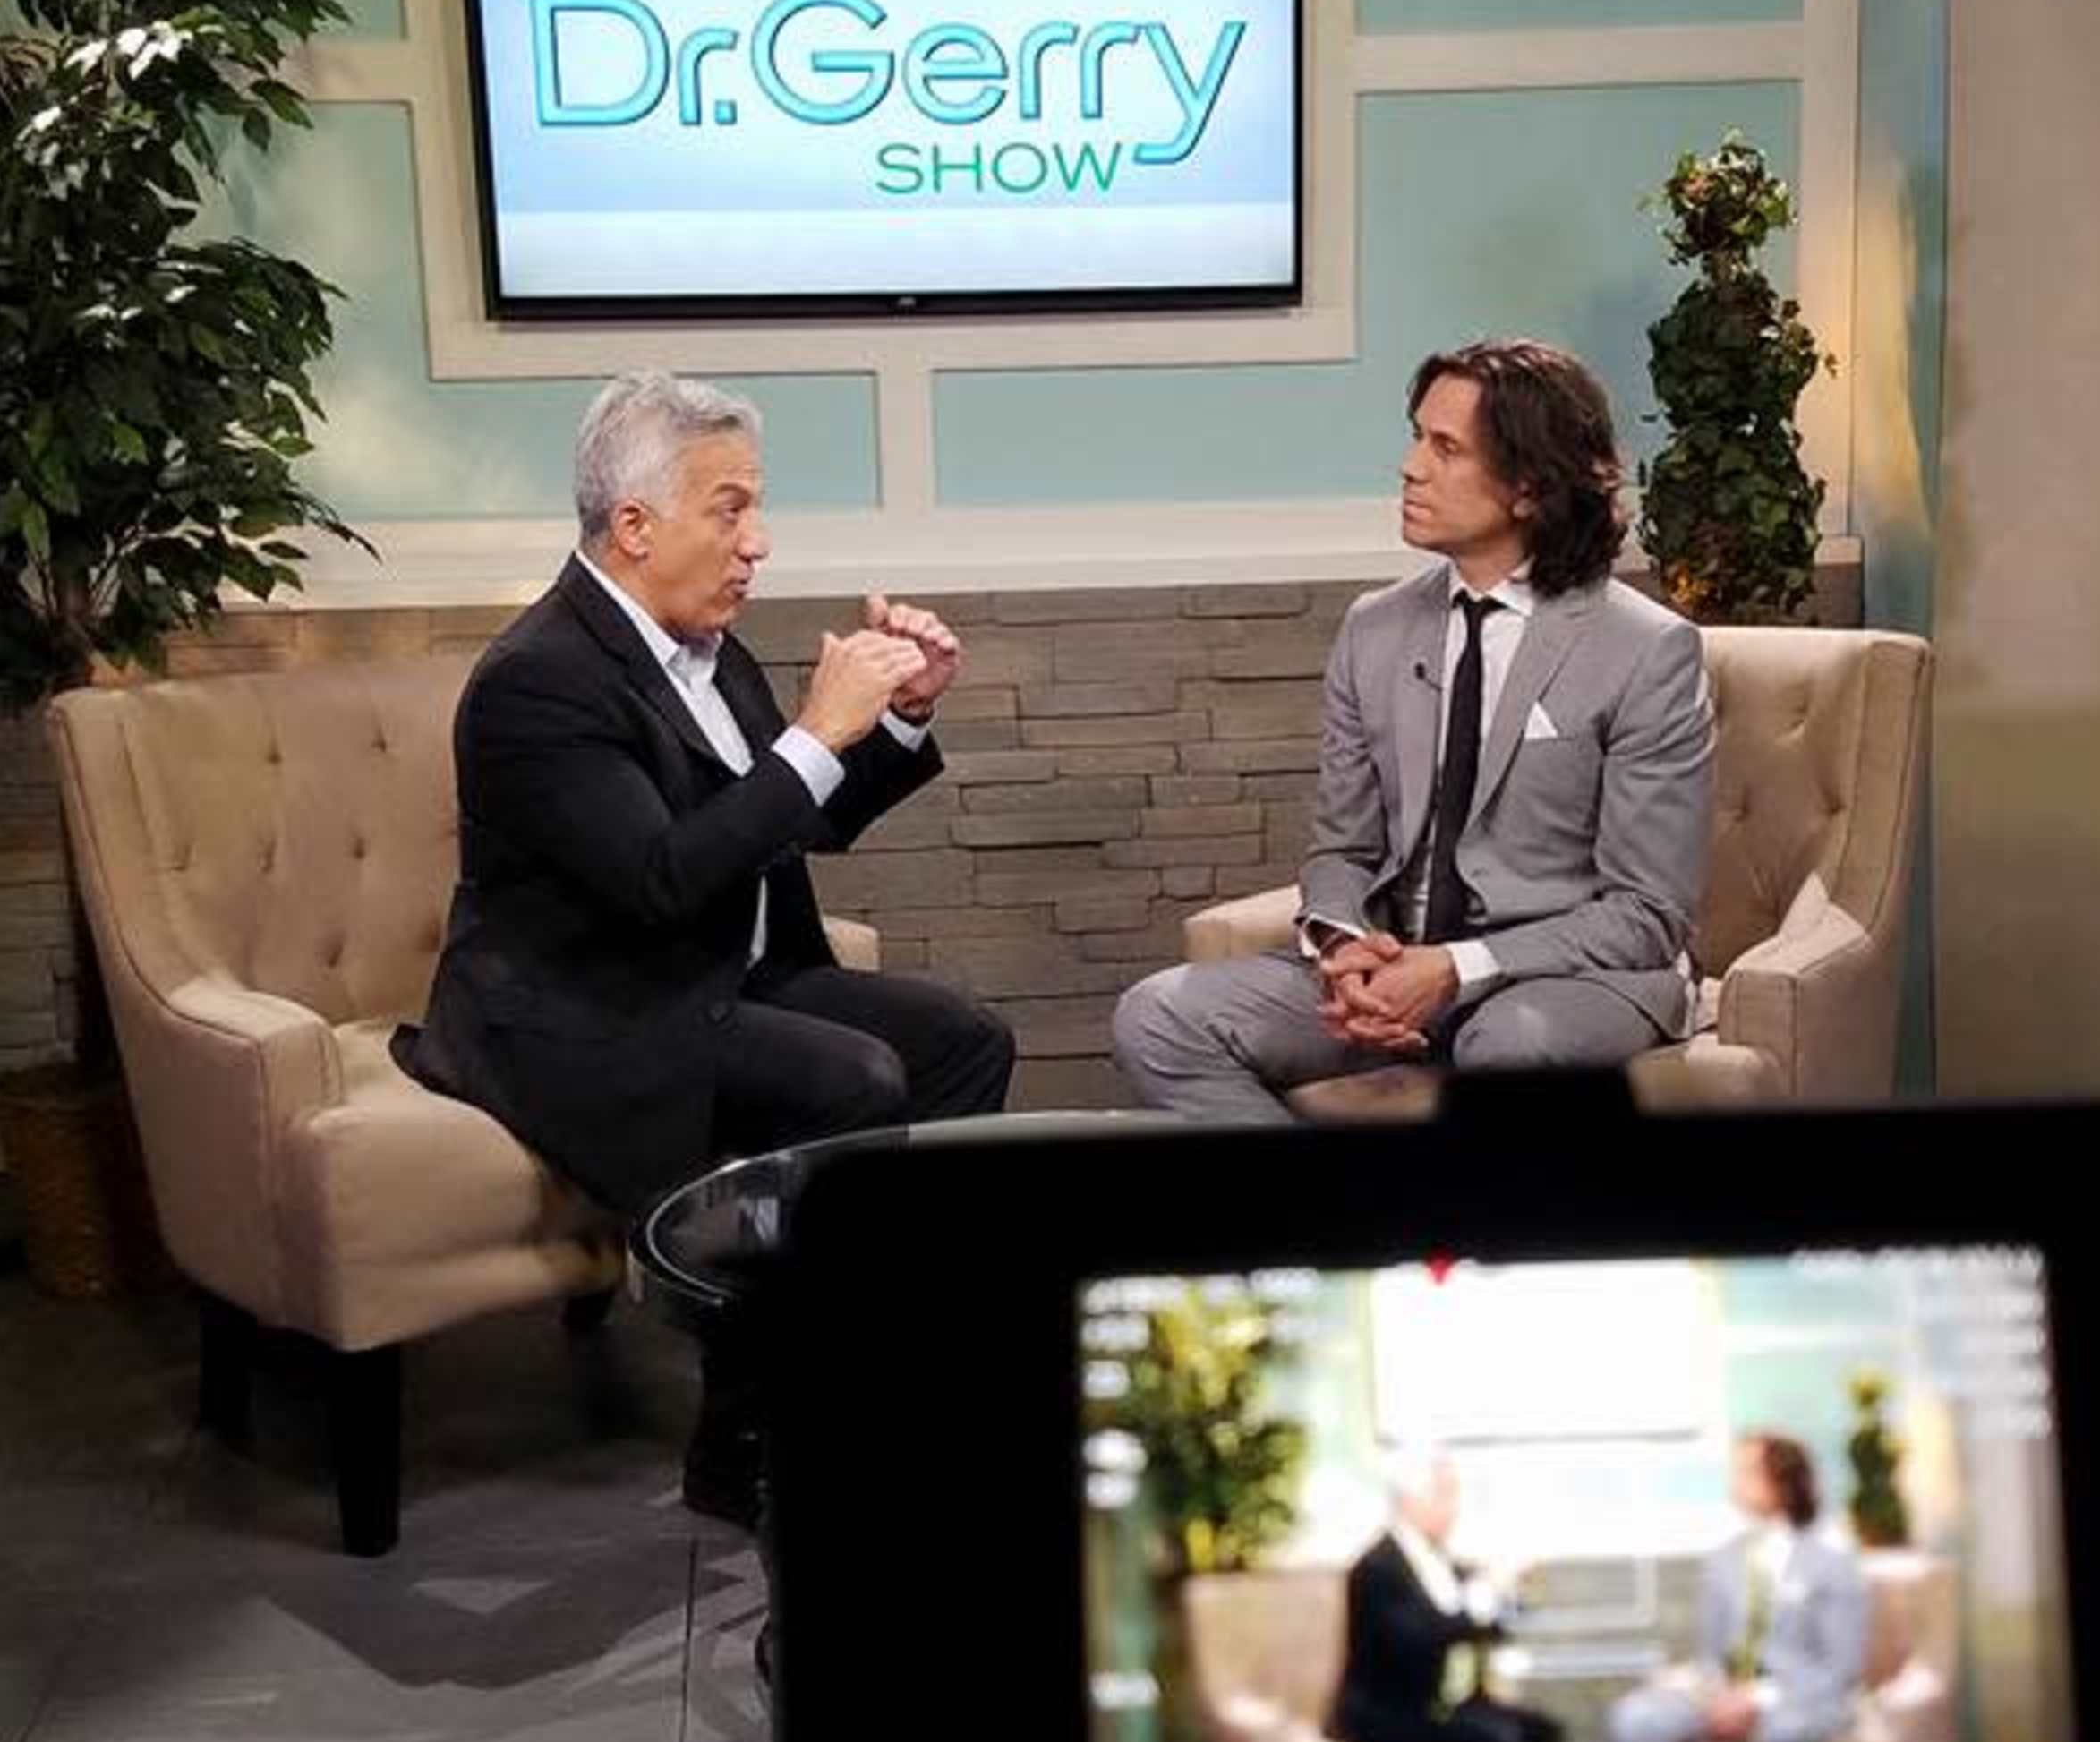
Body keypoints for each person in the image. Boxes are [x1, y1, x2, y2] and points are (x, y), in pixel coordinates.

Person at [400, 373, 1015, 1515]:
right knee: (848, 1083)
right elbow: (659, 880)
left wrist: (899, 718)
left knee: (965, 1043)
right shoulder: (539, 682)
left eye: (755, 510)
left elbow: (801, 817)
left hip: (726, 975)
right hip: (584, 1011)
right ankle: (746, 1442)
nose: (759, 543)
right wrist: (817, 732)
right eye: (730, 511)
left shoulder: (707, 646)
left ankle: (871, 1347)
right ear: (634, 527)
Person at [1110, 337, 1713, 1119]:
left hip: (1567, 980)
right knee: (1161, 1015)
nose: (1410, 465)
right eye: (1415, 434)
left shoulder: (1644, 649)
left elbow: (1645, 914)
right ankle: (1334, 1234)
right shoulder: (1376, 628)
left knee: (1506, 1045)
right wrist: (1343, 948)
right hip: (1400, 967)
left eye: (1445, 447)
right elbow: (1343, 850)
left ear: (1529, 485)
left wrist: (1454, 969)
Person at [1609, 1431, 1873, 1742]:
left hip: (1800, 1700)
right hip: (1726, 1693)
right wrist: (1719, 1697)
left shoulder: (1832, 1561)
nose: (1734, 1482)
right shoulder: (1722, 1560)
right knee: (1637, 1717)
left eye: (1747, 1471)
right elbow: (1710, 1655)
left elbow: (1842, 1669)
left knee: (1786, 1736)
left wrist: (1759, 1699)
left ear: (1783, 1481)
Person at [1329, 1451, 1566, 1742]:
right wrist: (1484, 1595)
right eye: (1446, 1493)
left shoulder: (1441, 1562)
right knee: (1499, 1741)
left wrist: (1508, 1588)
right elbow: (1419, 1640)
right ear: (1413, 1498)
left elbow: (1488, 1623)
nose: (1455, 1507)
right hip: (1397, 1715)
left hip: (1455, 1706)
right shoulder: (1377, 1568)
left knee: (1544, 1731)